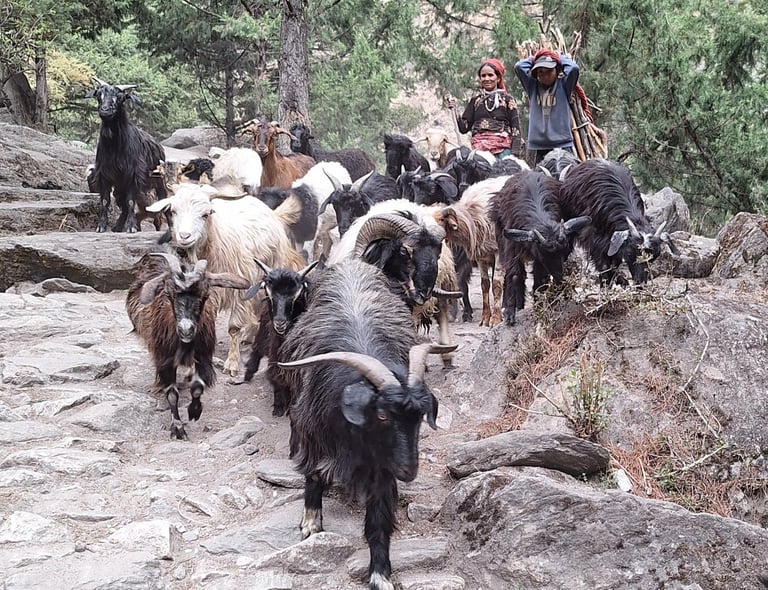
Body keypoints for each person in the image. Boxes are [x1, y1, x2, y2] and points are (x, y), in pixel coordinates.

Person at [446, 58, 523, 159]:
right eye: (483, 76)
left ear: (498, 78)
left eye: (490, 75)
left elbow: (515, 129)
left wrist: (515, 154)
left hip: (502, 150)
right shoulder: (475, 101)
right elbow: (464, 128)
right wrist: (455, 110)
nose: (487, 79)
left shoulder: (507, 100)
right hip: (479, 150)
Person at [514, 49, 580, 165]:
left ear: (557, 70)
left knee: (566, 176)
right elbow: (519, 66)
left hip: (562, 143)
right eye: (540, 72)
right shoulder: (532, 87)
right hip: (540, 146)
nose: (545, 76)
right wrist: (536, 58)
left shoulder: (564, 86)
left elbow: (573, 68)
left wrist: (558, 57)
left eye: (549, 71)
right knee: (544, 178)